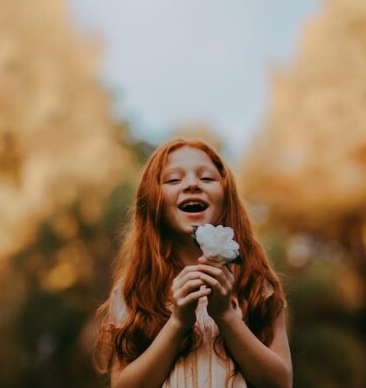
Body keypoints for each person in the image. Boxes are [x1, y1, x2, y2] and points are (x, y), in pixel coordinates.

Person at [94, 138, 292, 388]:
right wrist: (178, 322)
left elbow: (281, 383)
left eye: (207, 178)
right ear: (153, 201)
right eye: (173, 180)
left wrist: (225, 316)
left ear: (226, 195)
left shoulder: (255, 285)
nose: (191, 185)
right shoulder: (133, 291)